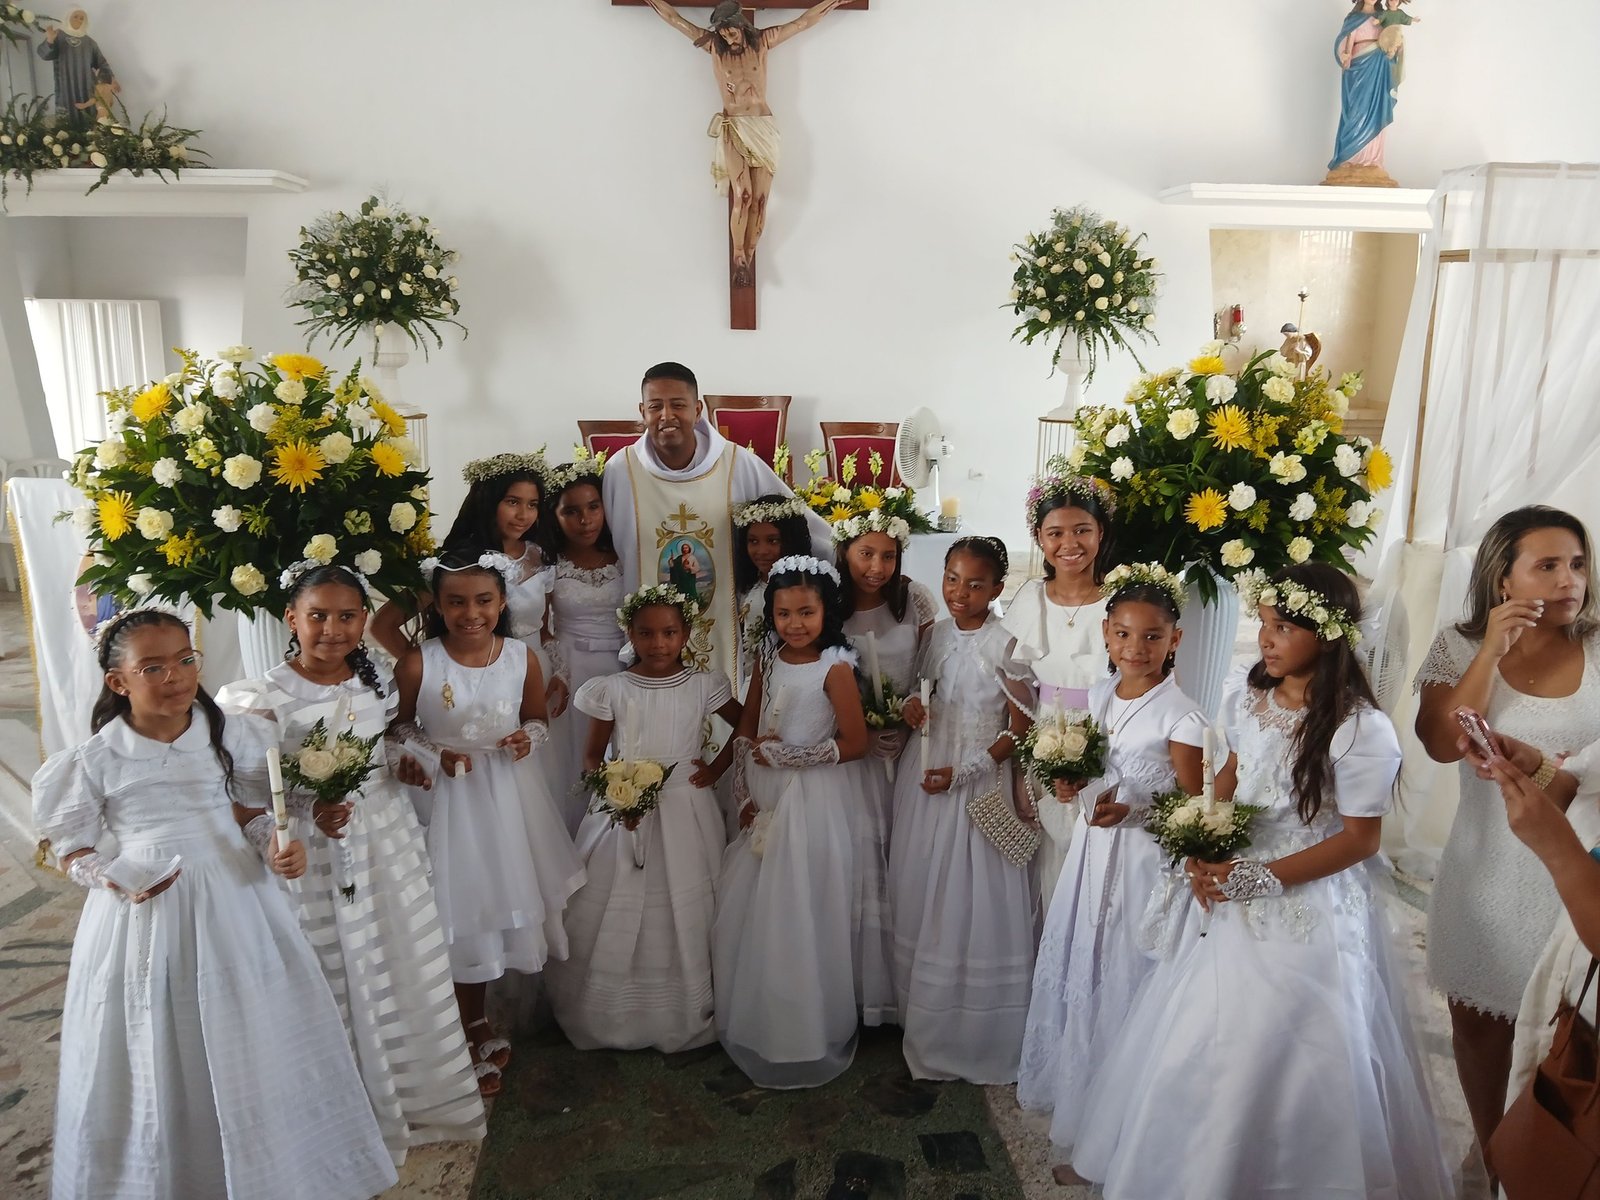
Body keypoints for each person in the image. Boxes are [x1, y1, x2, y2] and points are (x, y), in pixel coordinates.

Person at [1070, 565, 1451, 1199]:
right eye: (1265, 624)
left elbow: (1360, 840)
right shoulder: (1249, 698)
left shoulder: (1360, 728)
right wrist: (1202, 843)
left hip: (1306, 901)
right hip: (1230, 886)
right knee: (1203, 1034)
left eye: (1283, 628)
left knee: (1281, 1043)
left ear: (1327, 635)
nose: (1266, 639)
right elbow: (1227, 783)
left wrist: (1261, 878)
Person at [34, 608, 398, 1199]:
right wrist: (110, 876)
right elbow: (72, 847)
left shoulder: (233, 734)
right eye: (153, 667)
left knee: (250, 1029)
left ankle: (279, 1172)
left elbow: (249, 813)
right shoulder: (94, 760)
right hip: (149, 910)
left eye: (185, 660)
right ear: (118, 682)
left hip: (236, 899)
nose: (176, 676)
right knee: (158, 1037)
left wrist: (274, 844)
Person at [216, 562, 488, 1131]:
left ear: (365, 619)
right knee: (334, 964)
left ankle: (413, 1087)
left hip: (385, 839)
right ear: (291, 618)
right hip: (314, 854)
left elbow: (380, 745)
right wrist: (308, 810)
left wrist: (404, 763)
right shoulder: (262, 698)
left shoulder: (377, 680)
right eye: (317, 616)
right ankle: (341, 1106)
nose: (332, 630)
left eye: (347, 616)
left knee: (398, 953)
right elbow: (246, 796)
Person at [1413, 505, 1600, 1177]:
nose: (1568, 580)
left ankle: (1542, 1157)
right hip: (1485, 869)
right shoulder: (1459, 645)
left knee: (1566, 1031)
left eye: (1576, 564)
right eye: (1546, 565)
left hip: (1578, 872)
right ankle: (1491, 1152)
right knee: (1478, 1028)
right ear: (1502, 579)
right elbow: (1441, 744)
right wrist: (1492, 650)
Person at [1016, 563, 1207, 1176]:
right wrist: (1070, 781)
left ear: (1175, 640)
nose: (1135, 648)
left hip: (1141, 865)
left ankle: (1121, 1124)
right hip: (1092, 855)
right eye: (1123, 634)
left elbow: (1197, 807)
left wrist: (1137, 810)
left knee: (1125, 969)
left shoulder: (1182, 717)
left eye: (1152, 637)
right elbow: (1090, 763)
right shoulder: (1098, 696)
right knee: (1086, 963)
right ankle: (1081, 1101)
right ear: (1106, 633)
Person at [390, 549, 585, 1098]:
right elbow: (398, 728)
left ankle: (477, 1016)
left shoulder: (522, 657)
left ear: (502, 603)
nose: (470, 613)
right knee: (457, 908)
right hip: (446, 798)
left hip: (506, 795)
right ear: (437, 605)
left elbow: (536, 719)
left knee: (497, 901)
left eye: (483, 601)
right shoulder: (419, 662)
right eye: (456, 602)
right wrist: (436, 753)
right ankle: (461, 1025)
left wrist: (529, 738)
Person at [546, 585, 742, 1052]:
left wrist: (715, 769)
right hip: (623, 807)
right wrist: (616, 796)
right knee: (619, 893)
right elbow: (592, 755)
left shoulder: (704, 685)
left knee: (686, 896)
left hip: (686, 807)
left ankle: (687, 1002)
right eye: (646, 633)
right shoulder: (612, 689)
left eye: (669, 633)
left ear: (686, 634)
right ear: (630, 634)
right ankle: (610, 1008)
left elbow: (745, 726)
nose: (658, 643)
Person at [709, 555, 871, 1088]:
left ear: (827, 611)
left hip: (811, 800)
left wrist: (791, 757)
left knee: (800, 905)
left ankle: (804, 1029)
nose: (794, 624)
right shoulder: (767, 656)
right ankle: (761, 1019)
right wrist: (742, 792)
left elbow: (855, 743)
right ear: (770, 615)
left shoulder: (835, 667)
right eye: (783, 614)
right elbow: (747, 728)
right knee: (756, 906)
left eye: (806, 613)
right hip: (764, 793)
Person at [889, 537, 1036, 1083]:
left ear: (997, 589)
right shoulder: (935, 634)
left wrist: (968, 771)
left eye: (975, 584)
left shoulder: (1006, 644)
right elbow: (922, 693)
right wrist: (912, 708)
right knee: (923, 882)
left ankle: (969, 1026)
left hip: (977, 778)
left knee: (967, 893)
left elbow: (1020, 728)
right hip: (927, 768)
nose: (960, 592)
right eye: (952, 579)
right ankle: (920, 1009)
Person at [604, 363, 831, 689]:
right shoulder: (620, 471)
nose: (667, 415)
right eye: (655, 406)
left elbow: (799, 524)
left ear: (697, 410)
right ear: (642, 411)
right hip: (649, 643)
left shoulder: (738, 465)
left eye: (678, 404)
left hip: (727, 637)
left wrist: (852, 553)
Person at [372, 453, 571, 801]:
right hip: (470, 681)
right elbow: (383, 624)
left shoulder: (540, 556)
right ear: (488, 501)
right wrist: (432, 668)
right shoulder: (459, 564)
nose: (523, 515)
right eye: (512, 502)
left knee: (535, 782)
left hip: (531, 673)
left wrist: (560, 670)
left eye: (532, 505)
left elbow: (543, 628)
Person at [637, 0, 855, 285]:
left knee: (761, 201)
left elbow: (803, 22)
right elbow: (674, 19)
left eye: (731, 31)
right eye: (723, 33)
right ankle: (738, 254)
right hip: (735, 127)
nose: (728, 38)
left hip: (763, 127)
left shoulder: (762, 42)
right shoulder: (714, 47)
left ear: (741, 24)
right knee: (743, 195)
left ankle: (749, 256)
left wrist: (834, 1)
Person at [835, 506, 938, 1025]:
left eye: (889, 555)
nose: (877, 567)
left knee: (904, 857)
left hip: (909, 742)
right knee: (858, 859)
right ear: (844, 551)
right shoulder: (829, 600)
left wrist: (911, 715)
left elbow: (933, 669)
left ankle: (901, 989)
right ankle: (857, 989)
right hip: (853, 752)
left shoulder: (915, 600)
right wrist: (863, 730)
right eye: (865, 553)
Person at [1002, 466, 1118, 913]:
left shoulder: (1118, 599)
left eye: (1082, 530)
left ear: (1100, 532)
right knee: (1054, 855)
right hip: (1047, 735)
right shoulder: (1031, 598)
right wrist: (1020, 768)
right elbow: (1016, 688)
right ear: (1039, 537)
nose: (1069, 544)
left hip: (1108, 733)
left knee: (1099, 853)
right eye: (1055, 533)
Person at [542, 453, 628, 834]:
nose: (585, 519)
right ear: (555, 515)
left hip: (622, 664)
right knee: (574, 758)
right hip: (570, 668)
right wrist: (559, 669)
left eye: (594, 507)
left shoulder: (624, 554)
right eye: (571, 511)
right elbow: (540, 627)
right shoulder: (548, 563)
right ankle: (574, 838)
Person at [731, 493, 812, 700]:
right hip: (750, 686)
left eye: (773, 541)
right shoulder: (746, 588)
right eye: (753, 541)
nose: (762, 551)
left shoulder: (806, 590)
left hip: (789, 688)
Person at [1327, 0, 1399, 179]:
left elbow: (1391, 40)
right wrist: (1344, 55)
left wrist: (1393, 50)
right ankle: (1348, 158)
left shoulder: (1383, 17)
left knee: (1375, 110)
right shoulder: (1353, 18)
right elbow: (1345, 44)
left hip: (1378, 67)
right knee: (1355, 112)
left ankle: (1372, 161)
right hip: (1357, 69)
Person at [37, 9, 111, 129]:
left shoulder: (90, 42)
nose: (78, 20)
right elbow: (44, 55)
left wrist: (107, 83)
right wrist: (50, 40)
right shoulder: (58, 36)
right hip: (65, 87)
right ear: (68, 17)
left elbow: (102, 64)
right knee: (66, 124)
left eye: (82, 18)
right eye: (75, 16)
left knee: (89, 120)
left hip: (87, 87)